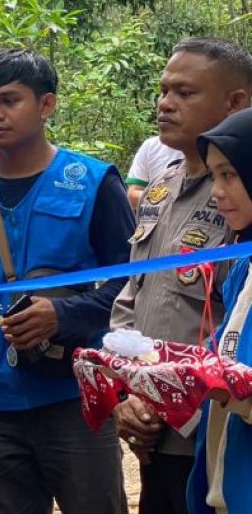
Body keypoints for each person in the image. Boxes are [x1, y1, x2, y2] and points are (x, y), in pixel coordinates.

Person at [0, 48, 130, 514]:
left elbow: (133, 286)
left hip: (74, 395)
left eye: (10, 100)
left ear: (46, 105)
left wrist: (62, 315)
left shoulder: (90, 181)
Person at [111, 37, 252, 514]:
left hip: (213, 428)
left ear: (236, 102)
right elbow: (133, 295)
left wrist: (172, 399)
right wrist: (127, 392)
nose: (165, 103)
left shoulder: (241, 200)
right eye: (163, 90)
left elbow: (233, 324)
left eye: (185, 93)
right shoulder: (159, 187)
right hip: (151, 428)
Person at [187, 108, 252, 514]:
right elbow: (228, 345)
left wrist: (231, 388)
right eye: (214, 175)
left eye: (229, 174)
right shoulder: (245, 263)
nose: (216, 191)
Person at [125, 135, 184, 210]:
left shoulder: (202, 150)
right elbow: (133, 195)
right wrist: (166, 200)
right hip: (154, 218)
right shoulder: (151, 146)